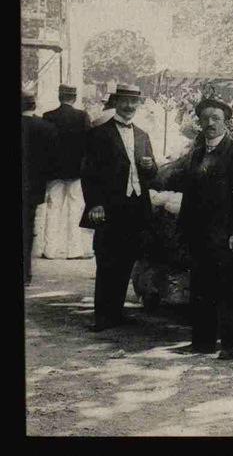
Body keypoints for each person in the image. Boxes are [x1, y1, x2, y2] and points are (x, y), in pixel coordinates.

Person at [168, 97, 233, 359]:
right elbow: (189, 194)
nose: (210, 123)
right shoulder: (196, 154)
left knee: (228, 290)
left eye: (215, 118)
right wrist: (184, 229)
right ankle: (202, 343)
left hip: (227, 236)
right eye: (205, 119)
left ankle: (230, 345)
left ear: (226, 122)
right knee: (200, 288)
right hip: (200, 235)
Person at [80, 83, 158, 331]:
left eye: (133, 102)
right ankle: (102, 317)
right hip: (109, 206)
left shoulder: (143, 135)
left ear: (138, 105)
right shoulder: (98, 134)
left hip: (135, 205)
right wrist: (95, 204)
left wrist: (150, 167)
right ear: (116, 102)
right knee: (106, 260)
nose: (129, 106)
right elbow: (88, 173)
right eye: (124, 101)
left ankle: (116, 312)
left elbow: (152, 174)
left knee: (126, 259)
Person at [41, 85, 94, 259]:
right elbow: (89, 144)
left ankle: (49, 250)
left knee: (53, 208)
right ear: (74, 97)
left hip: (53, 171)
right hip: (76, 171)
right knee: (75, 209)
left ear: (59, 96)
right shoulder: (82, 117)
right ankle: (74, 250)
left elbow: (45, 146)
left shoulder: (48, 117)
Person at [22, 90, 59, 286]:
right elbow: (53, 161)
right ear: (33, 105)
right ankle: (25, 274)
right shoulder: (46, 128)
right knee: (27, 229)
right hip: (34, 187)